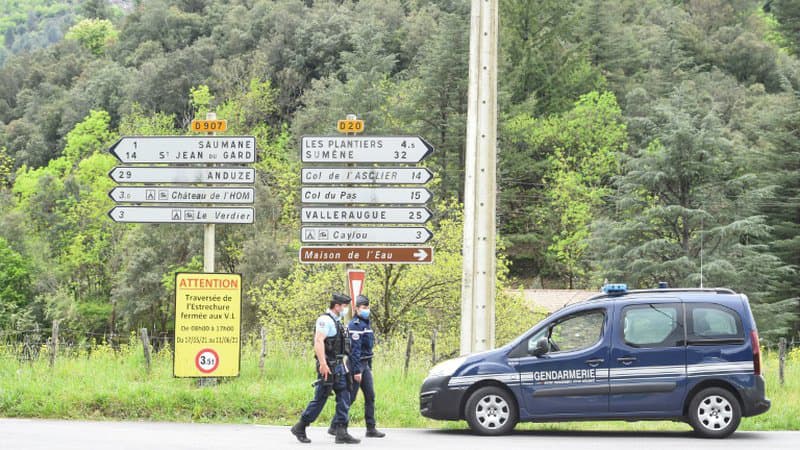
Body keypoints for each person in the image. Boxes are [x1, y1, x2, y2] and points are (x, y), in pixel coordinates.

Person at [291, 294, 360, 444]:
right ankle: (300, 426)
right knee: (321, 398)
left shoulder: (337, 321)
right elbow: (318, 341)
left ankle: (341, 431)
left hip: (339, 366)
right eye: (344, 306)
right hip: (328, 366)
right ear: (337, 306)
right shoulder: (324, 321)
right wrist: (323, 363)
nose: (345, 309)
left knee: (345, 394)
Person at [328, 295, 386, 438]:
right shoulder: (355, 325)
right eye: (363, 307)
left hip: (365, 365)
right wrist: (356, 371)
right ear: (356, 309)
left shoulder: (366, 324)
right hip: (356, 364)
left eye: (367, 307)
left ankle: (370, 428)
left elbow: (368, 350)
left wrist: (369, 368)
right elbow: (355, 351)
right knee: (350, 397)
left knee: (370, 396)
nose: (367, 310)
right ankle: (335, 426)